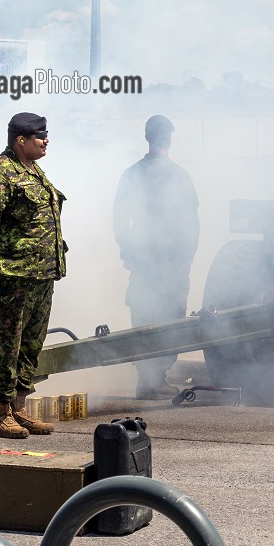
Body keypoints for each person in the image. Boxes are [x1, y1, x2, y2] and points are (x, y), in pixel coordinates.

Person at [0, 111, 66, 439]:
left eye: (45, 134)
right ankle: (0, 414)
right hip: (11, 277)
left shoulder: (35, 171)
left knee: (29, 347)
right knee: (6, 347)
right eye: (39, 135)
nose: (45, 140)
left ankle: (19, 409)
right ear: (20, 140)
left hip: (40, 276)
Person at [113, 114, 199, 398]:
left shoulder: (132, 174)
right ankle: (156, 378)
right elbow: (191, 223)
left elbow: (119, 219)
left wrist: (127, 250)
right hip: (171, 262)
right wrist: (187, 258)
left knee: (143, 319)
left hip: (143, 261)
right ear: (170, 140)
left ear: (147, 137)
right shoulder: (179, 175)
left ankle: (146, 380)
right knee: (171, 320)